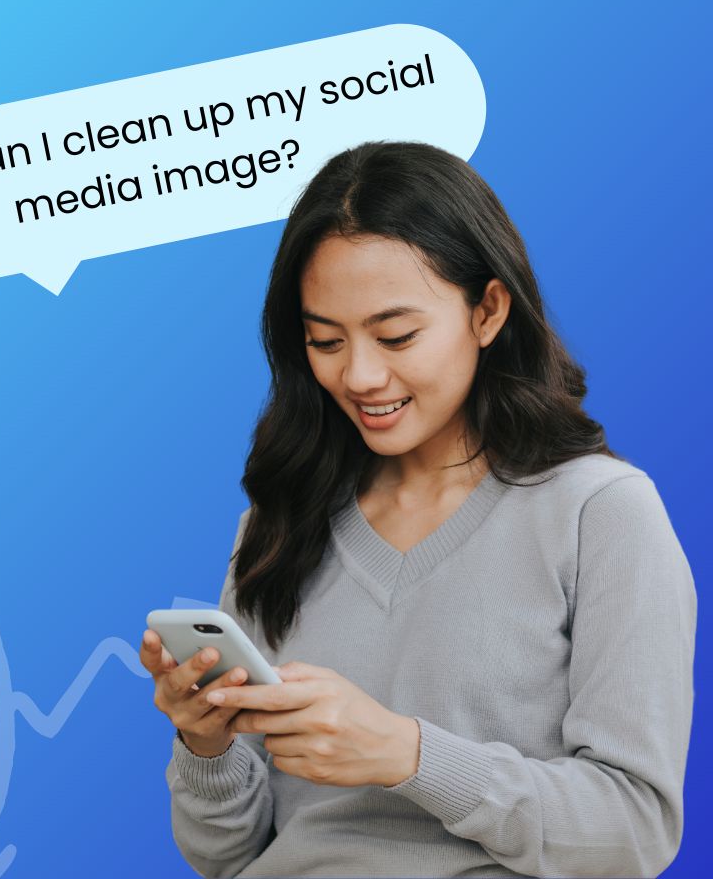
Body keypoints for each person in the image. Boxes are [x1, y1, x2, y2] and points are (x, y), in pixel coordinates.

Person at [139, 141, 697, 878]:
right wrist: (205, 744)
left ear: (488, 311)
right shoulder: (282, 522)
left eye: (397, 335)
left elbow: (634, 830)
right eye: (325, 341)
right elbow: (225, 855)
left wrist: (407, 755)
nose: (361, 375)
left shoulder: (601, 514)